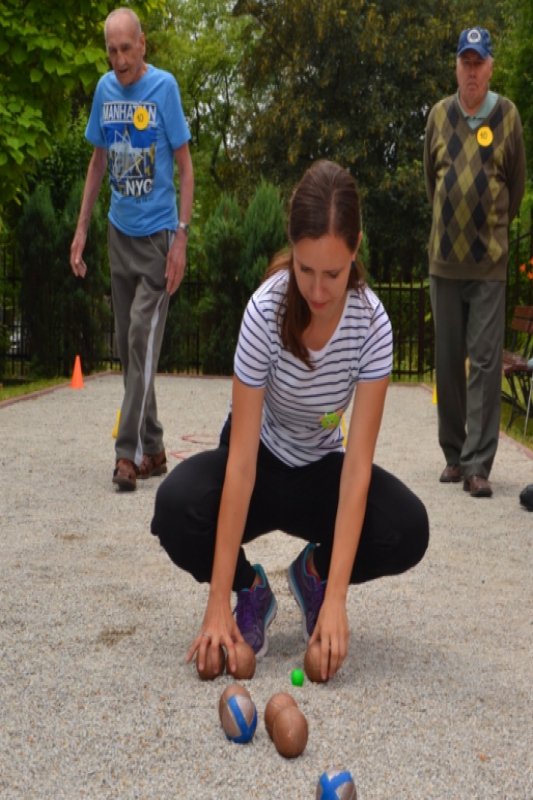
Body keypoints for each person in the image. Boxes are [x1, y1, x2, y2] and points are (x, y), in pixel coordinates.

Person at [151, 161, 429, 680]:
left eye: (333, 273)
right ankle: (250, 589)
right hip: (257, 464)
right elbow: (239, 463)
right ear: (291, 249)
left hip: (322, 471)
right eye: (305, 270)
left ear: (356, 248)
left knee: (408, 529)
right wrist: (216, 602)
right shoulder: (264, 312)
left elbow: (356, 470)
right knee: (174, 509)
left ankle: (313, 574)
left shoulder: (373, 326)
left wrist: (337, 600)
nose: (318, 291)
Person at [70, 7, 194, 491]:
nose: (120, 59)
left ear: (143, 44)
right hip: (118, 235)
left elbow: (185, 169)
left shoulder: (164, 89)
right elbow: (98, 161)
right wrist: (82, 229)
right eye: (112, 51)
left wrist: (181, 236)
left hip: (160, 239)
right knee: (129, 348)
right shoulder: (105, 91)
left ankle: (128, 454)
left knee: (140, 335)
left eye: (127, 48)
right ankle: (157, 446)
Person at [424, 26, 526, 498]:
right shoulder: (438, 116)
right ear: (457, 67)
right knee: (448, 363)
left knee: (484, 363)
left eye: (478, 62)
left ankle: (478, 465)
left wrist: (493, 231)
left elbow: (518, 186)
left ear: (490, 67)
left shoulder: (508, 116)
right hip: (445, 262)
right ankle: (453, 454)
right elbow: (432, 181)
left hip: (489, 265)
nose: (471, 70)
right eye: (465, 61)